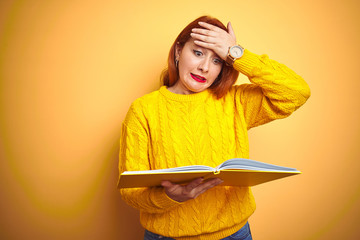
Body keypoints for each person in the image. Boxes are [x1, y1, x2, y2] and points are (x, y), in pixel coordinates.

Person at [118, 15, 310, 240]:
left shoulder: (235, 101)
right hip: (166, 236)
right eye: (198, 53)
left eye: (217, 60)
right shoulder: (143, 110)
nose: (204, 67)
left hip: (234, 234)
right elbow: (130, 191)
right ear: (179, 51)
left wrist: (237, 53)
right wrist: (172, 197)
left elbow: (297, 92)